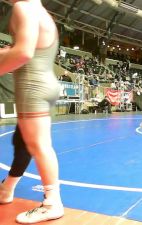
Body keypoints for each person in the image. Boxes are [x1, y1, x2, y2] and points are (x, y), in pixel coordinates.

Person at [0, 0, 64, 223]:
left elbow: (24, 53)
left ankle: (52, 203)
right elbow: (31, 50)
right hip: (46, 83)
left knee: (39, 145)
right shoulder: (43, 14)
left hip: (32, 87)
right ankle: (6, 189)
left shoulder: (23, 8)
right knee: (24, 141)